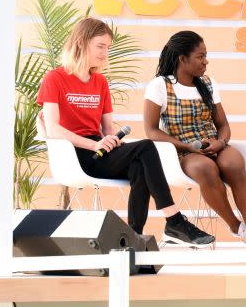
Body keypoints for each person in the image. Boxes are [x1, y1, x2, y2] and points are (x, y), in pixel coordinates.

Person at [37, 18, 214, 246]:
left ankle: (134, 237)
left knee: (139, 163)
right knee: (146, 147)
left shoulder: (100, 82)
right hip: (78, 154)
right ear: (81, 42)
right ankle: (174, 220)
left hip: (101, 151)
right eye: (100, 46)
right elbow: (52, 128)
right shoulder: (55, 79)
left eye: (108, 47)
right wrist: (94, 145)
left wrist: (111, 138)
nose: (105, 52)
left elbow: (108, 128)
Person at [143, 31, 246, 248]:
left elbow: (223, 125)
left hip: (213, 143)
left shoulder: (208, 84)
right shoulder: (160, 85)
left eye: (206, 56)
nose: (206, 61)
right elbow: (151, 131)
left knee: (234, 163)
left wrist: (220, 143)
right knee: (205, 168)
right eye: (200, 57)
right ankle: (235, 226)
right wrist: (187, 147)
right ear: (182, 59)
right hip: (183, 150)